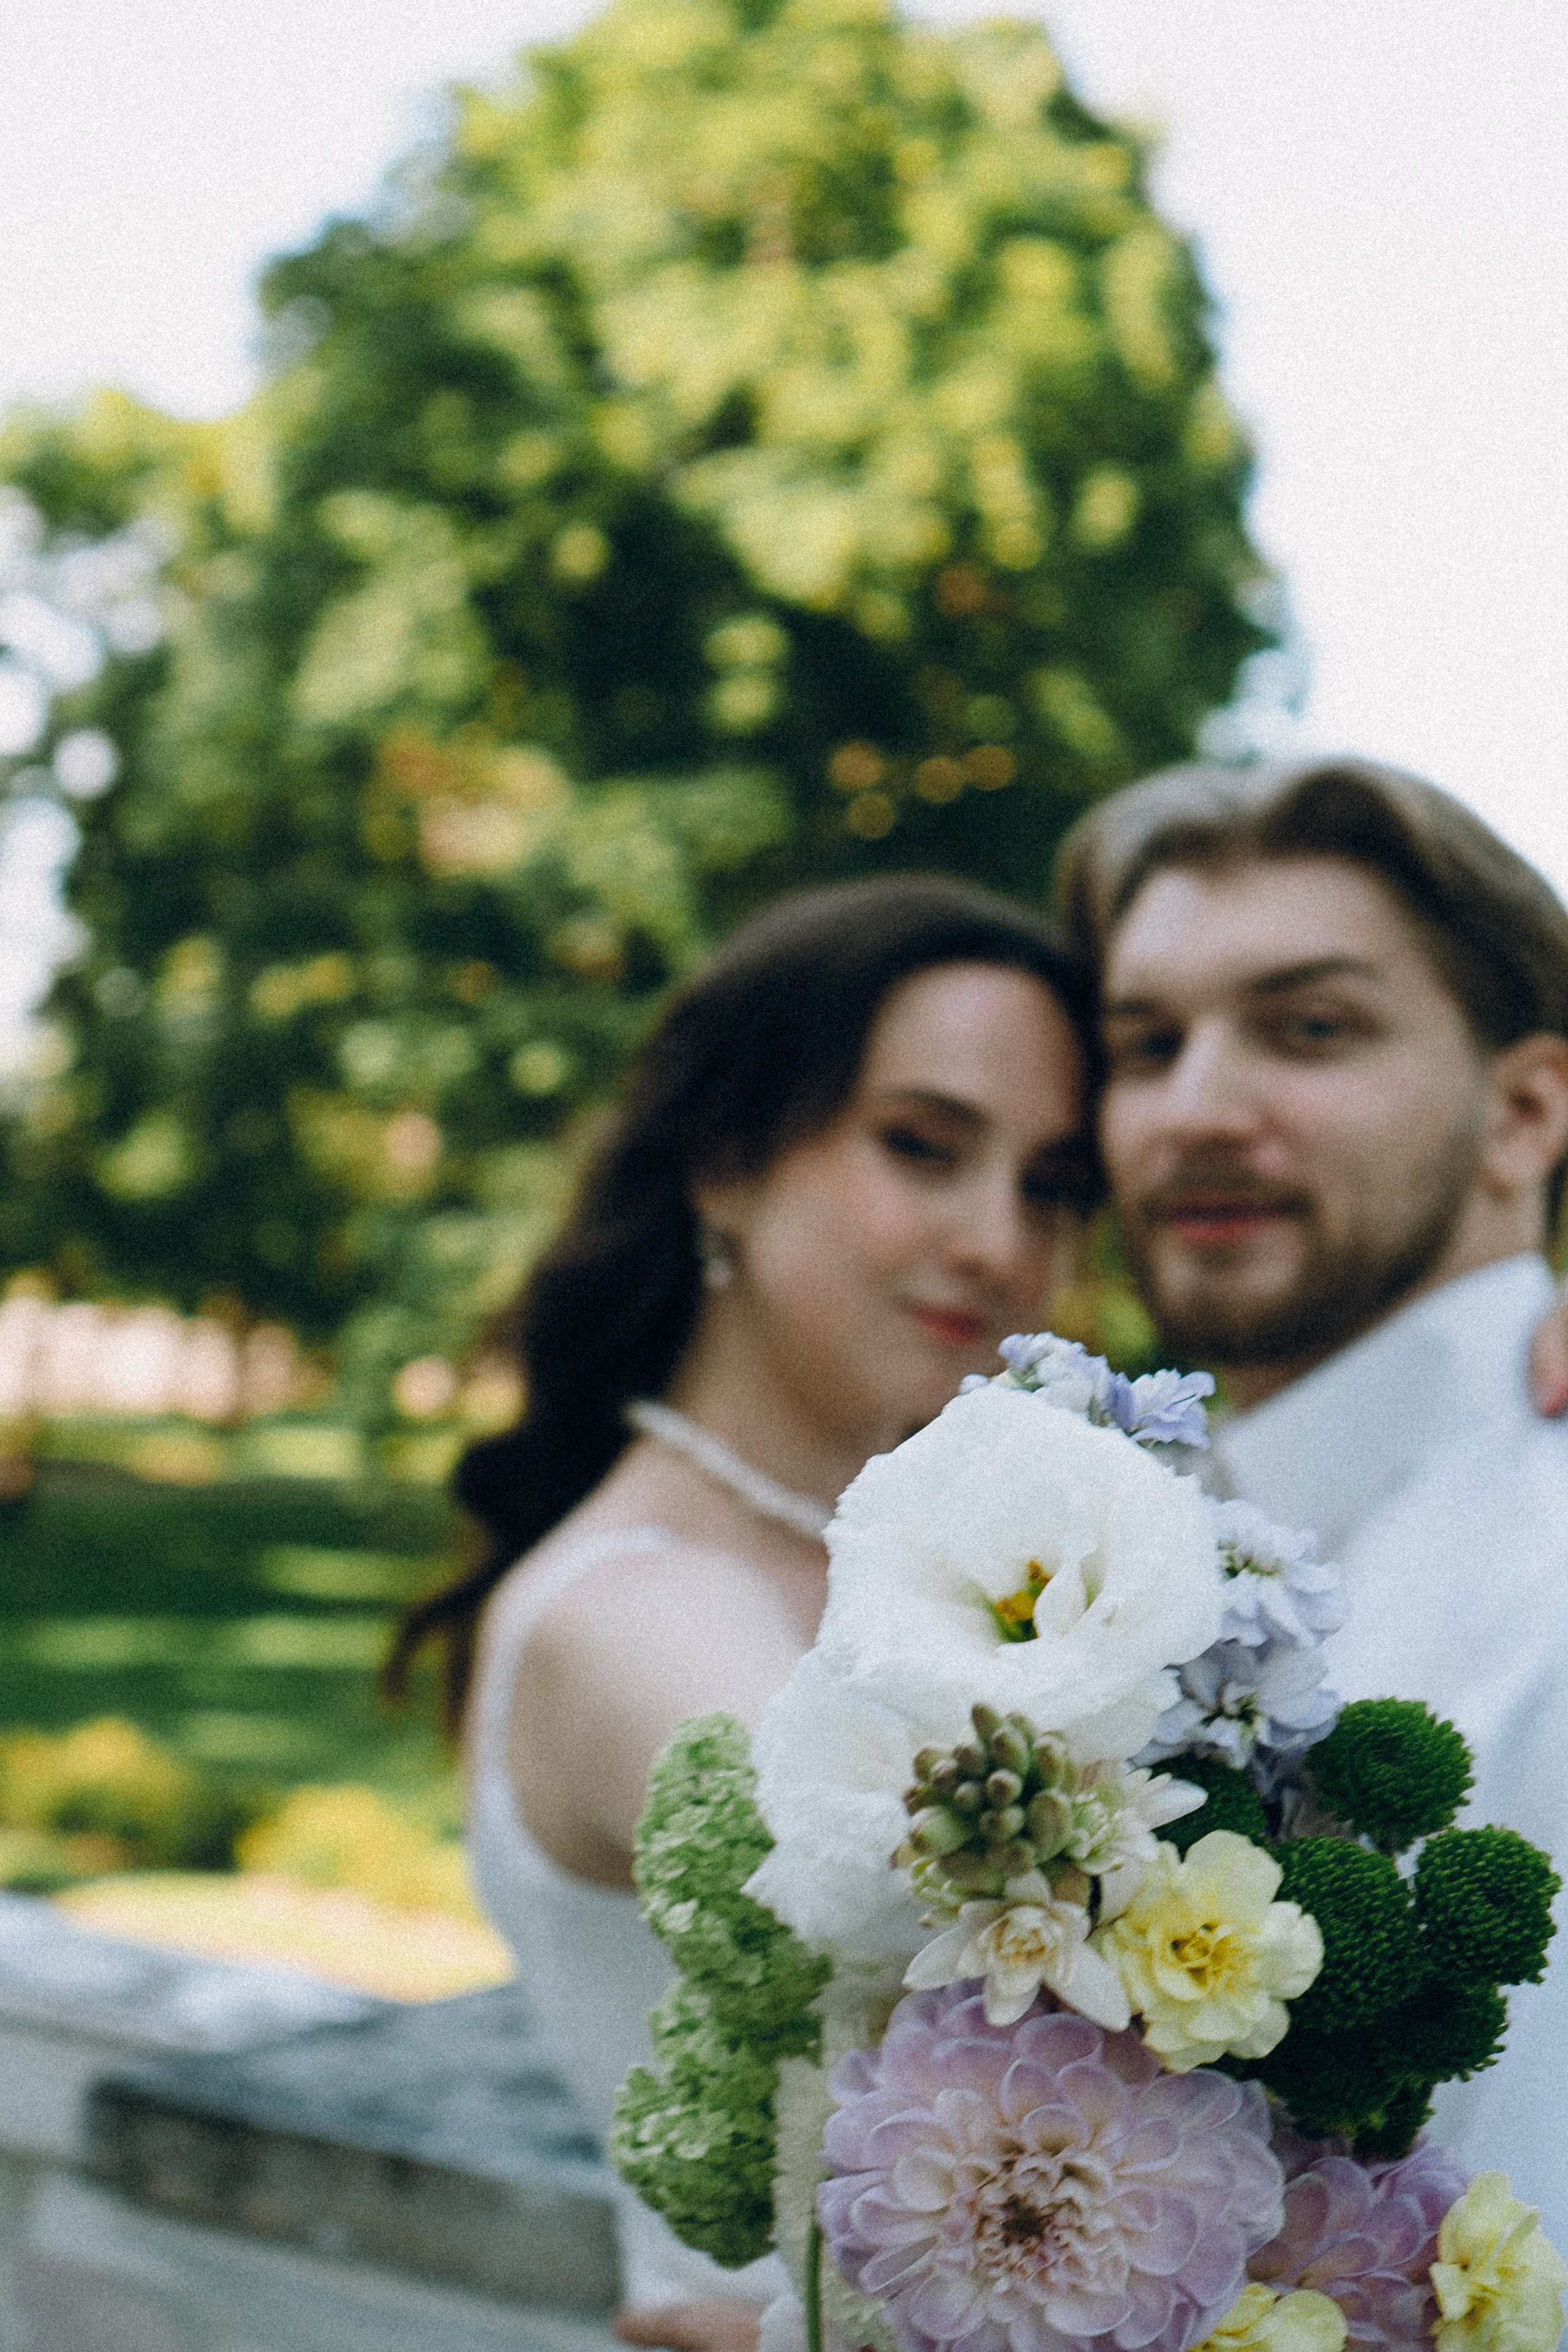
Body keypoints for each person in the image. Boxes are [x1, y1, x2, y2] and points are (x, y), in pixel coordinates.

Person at [389, 875, 1102, 2351]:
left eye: (1049, 1184)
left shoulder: (958, 1564)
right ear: (724, 1163)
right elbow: (1035, 1966)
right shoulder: (637, 1614)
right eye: (922, 1146)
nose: (993, 1240)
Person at [1058, 755, 1568, 2233]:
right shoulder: (1081, 1554)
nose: (1195, 1110)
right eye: (1144, 1045)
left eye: (1309, 1029)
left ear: (1525, 1110)